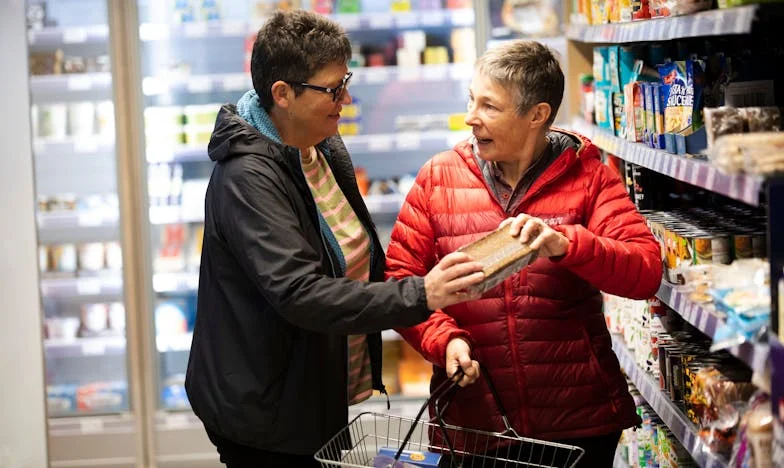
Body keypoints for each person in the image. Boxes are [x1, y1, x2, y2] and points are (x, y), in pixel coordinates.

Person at [184, 10, 486, 467]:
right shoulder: (247, 178)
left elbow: (357, 259)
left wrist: (441, 332)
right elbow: (300, 291)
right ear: (282, 94)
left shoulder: (319, 144)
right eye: (332, 88)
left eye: (345, 80)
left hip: (313, 390)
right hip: (267, 414)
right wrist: (422, 293)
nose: (346, 97)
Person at [385, 40, 663, 468]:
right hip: (475, 423)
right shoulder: (438, 177)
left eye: (489, 106)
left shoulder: (587, 175)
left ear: (537, 115)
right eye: (471, 100)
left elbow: (644, 272)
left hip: (578, 425)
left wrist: (565, 243)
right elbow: (401, 284)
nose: (471, 118)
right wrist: (446, 340)